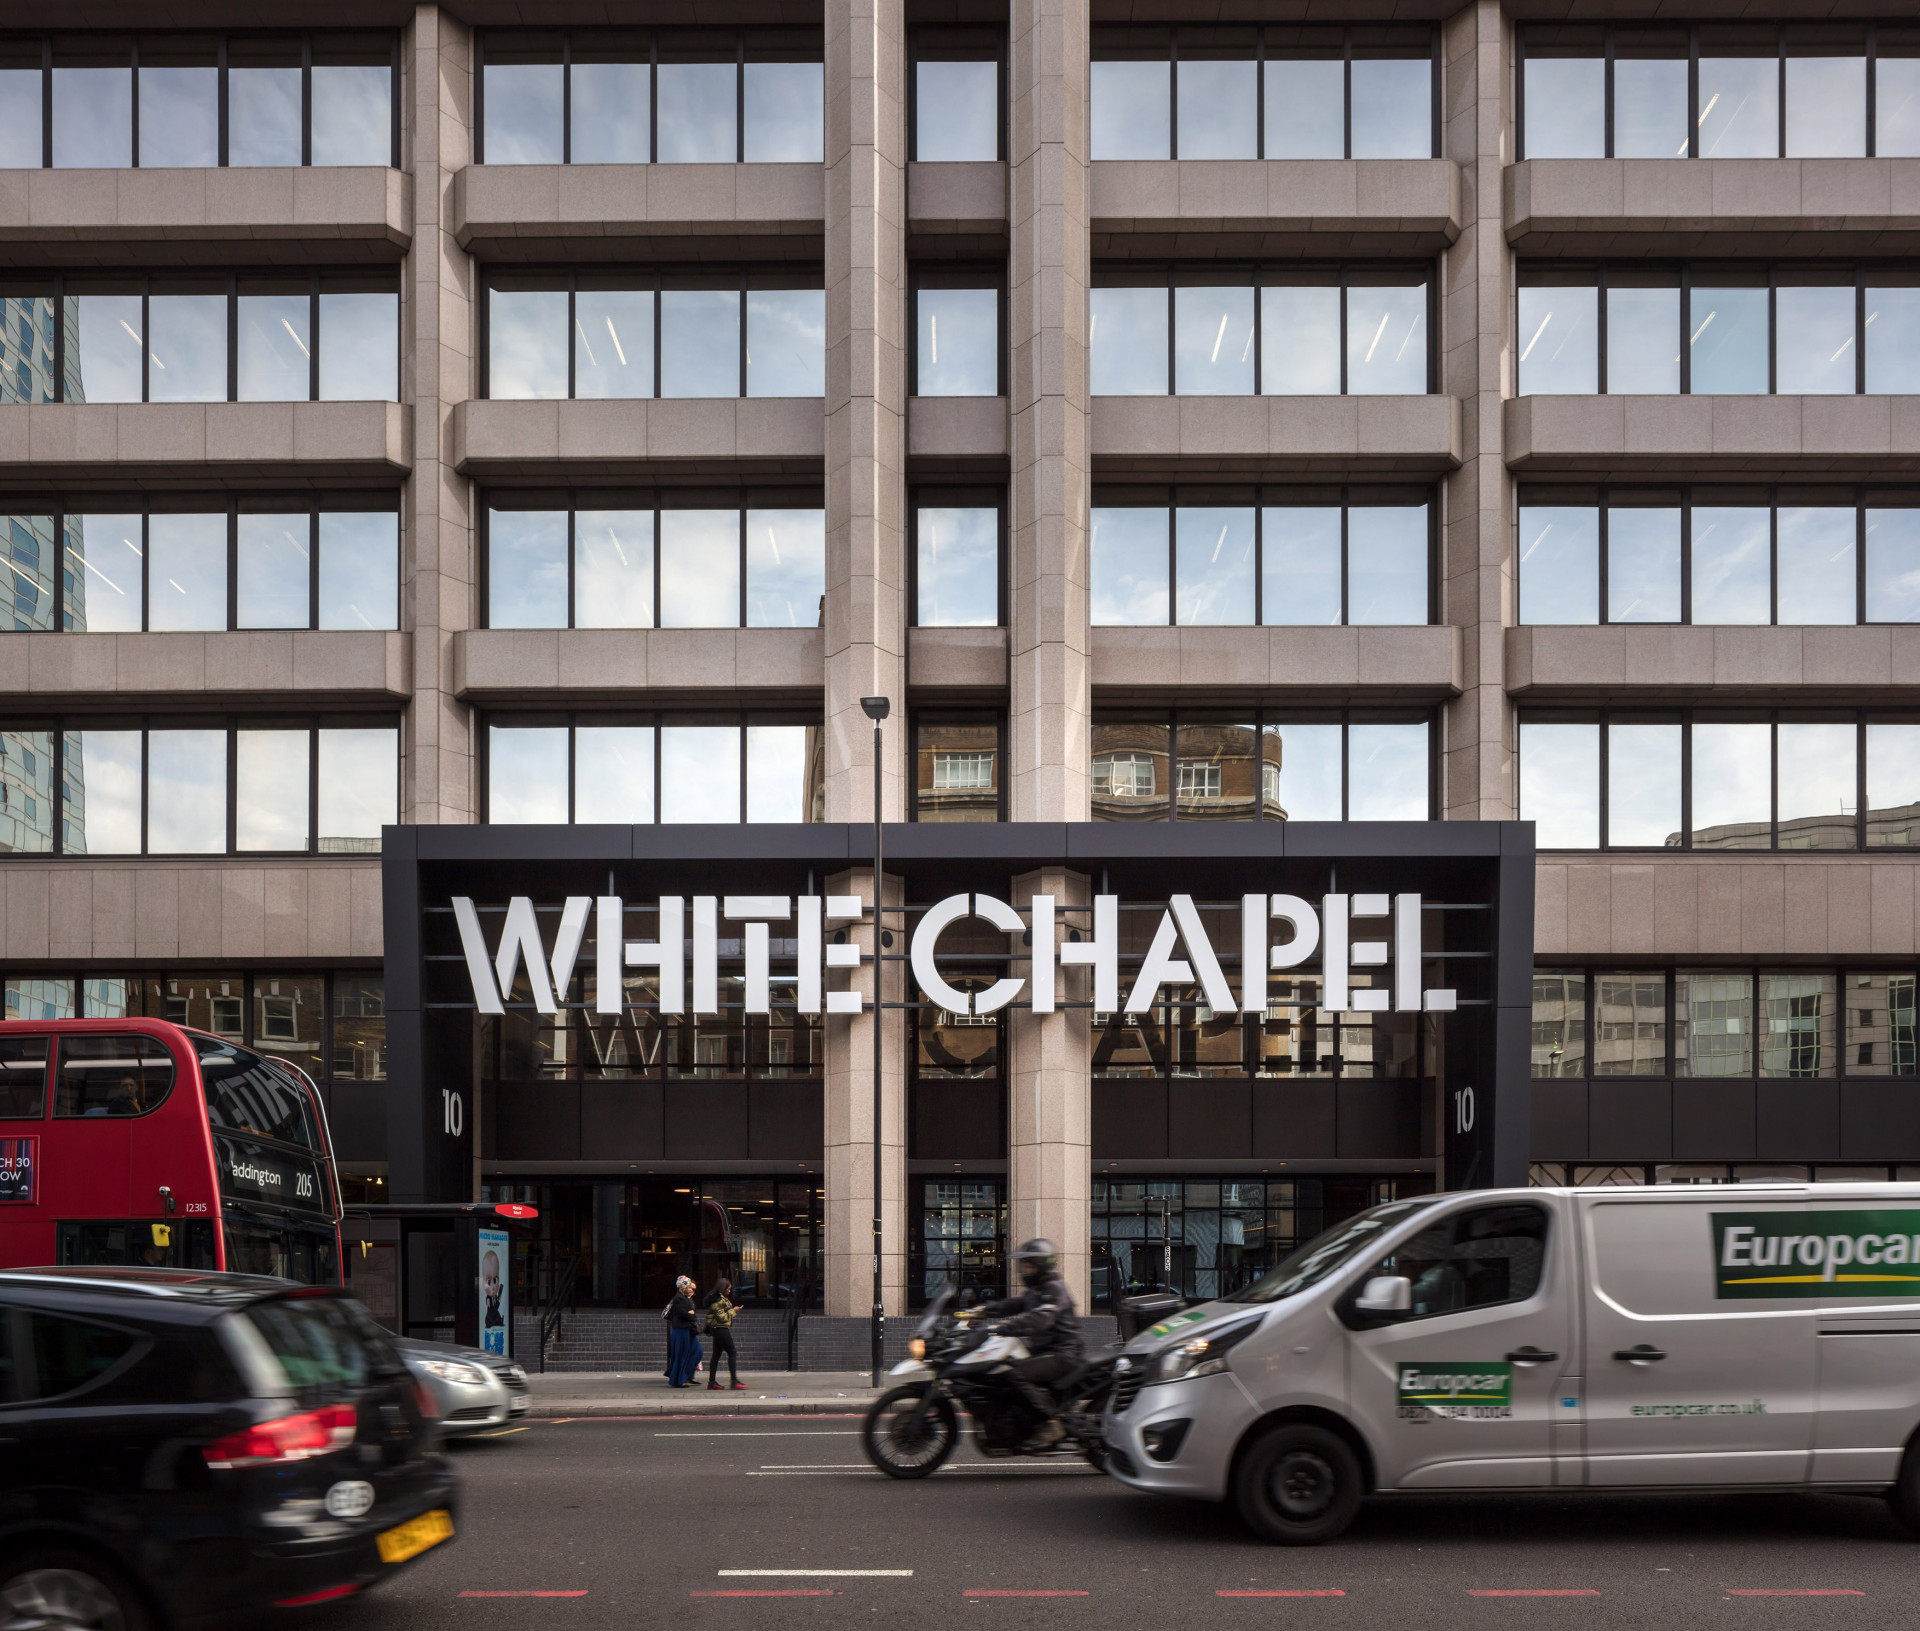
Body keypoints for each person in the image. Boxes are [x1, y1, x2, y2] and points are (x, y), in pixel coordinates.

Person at [975, 1238, 1083, 1449]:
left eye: (1029, 1266)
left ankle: (1052, 1422)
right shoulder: (1037, 1291)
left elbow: (1040, 1318)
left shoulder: (1054, 1289)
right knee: (1002, 1368)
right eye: (1023, 1266)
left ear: (1042, 1266)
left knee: (1016, 1373)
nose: (1024, 1270)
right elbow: (1014, 1305)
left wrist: (1005, 1327)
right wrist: (983, 1310)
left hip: (1063, 1353)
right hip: (1044, 1349)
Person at [703, 1277, 745, 1391]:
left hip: (718, 1328)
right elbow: (721, 1317)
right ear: (723, 1288)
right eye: (729, 1289)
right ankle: (734, 1381)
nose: (730, 1291)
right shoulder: (717, 1301)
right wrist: (734, 1311)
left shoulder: (720, 1298)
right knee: (732, 1352)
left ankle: (712, 1382)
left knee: (716, 1355)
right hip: (720, 1329)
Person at [665, 1275, 703, 1387]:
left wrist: (691, 1314)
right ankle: (678, 1380)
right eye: (690, 1287)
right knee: (682, 1355)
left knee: (697, 1351)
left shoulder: (686, 1298)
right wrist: (691, 1315)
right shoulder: (679, 1299)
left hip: (688, 1330)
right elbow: (685, 1314)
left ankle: (687, 1375)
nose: (692, 1290)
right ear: (683, 1288)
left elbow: (691, 1313)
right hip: (681, 1330)